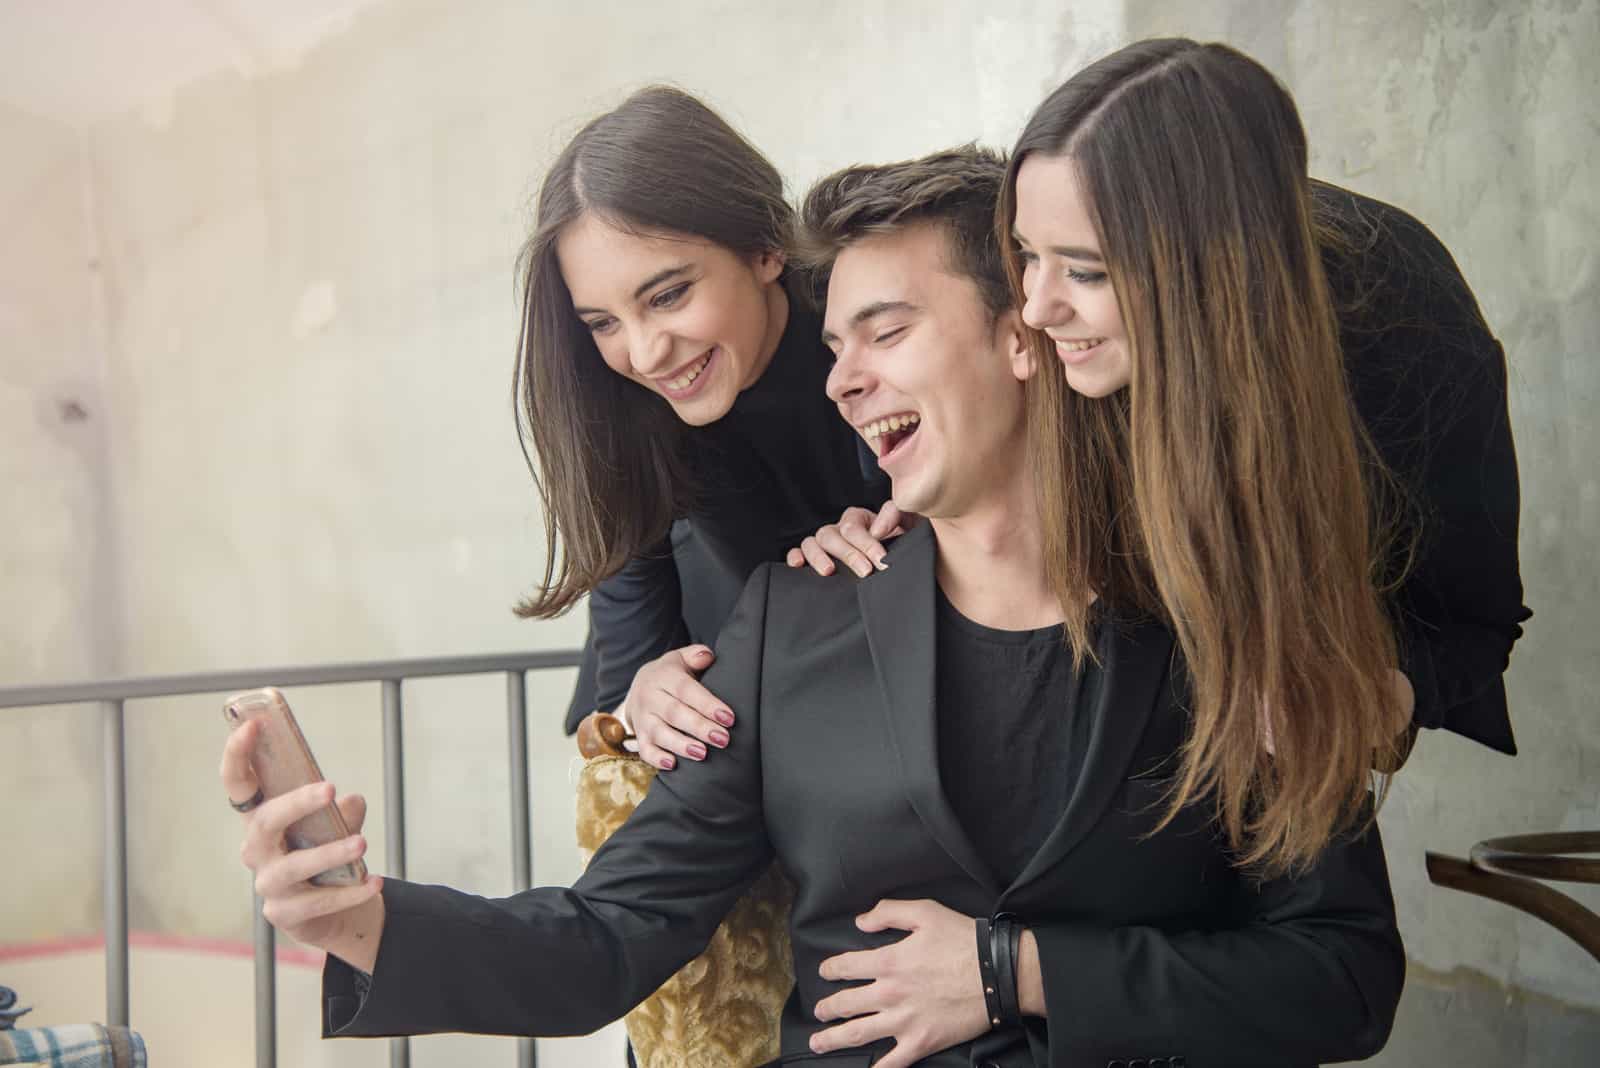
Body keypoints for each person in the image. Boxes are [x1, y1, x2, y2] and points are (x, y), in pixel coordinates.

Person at [223, 146, 1404, 1068]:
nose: (842, 378)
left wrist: (1019, 970)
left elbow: (1342, 977)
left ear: (1022, 338)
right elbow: (605, 940)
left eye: (885, 331)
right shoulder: (795, 619)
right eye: (835, 344)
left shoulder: (1230, 625)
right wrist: (360, 920)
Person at [649, 39, 1531, 819]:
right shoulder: (1046, 335)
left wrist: (1380, 694)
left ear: (1204, 269)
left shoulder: (1402, 332)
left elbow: (1473, 622)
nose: (1033, 309)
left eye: (1086, 271)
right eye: (1025, 256)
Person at [509, 84, 886, 767]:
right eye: (602, 323)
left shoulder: (868, 322)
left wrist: (903, 541)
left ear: (765, 247)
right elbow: (620, 706)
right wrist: (641, 698)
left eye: (669, 294)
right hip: (739, 723)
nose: (646, 352)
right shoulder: (624, 413)